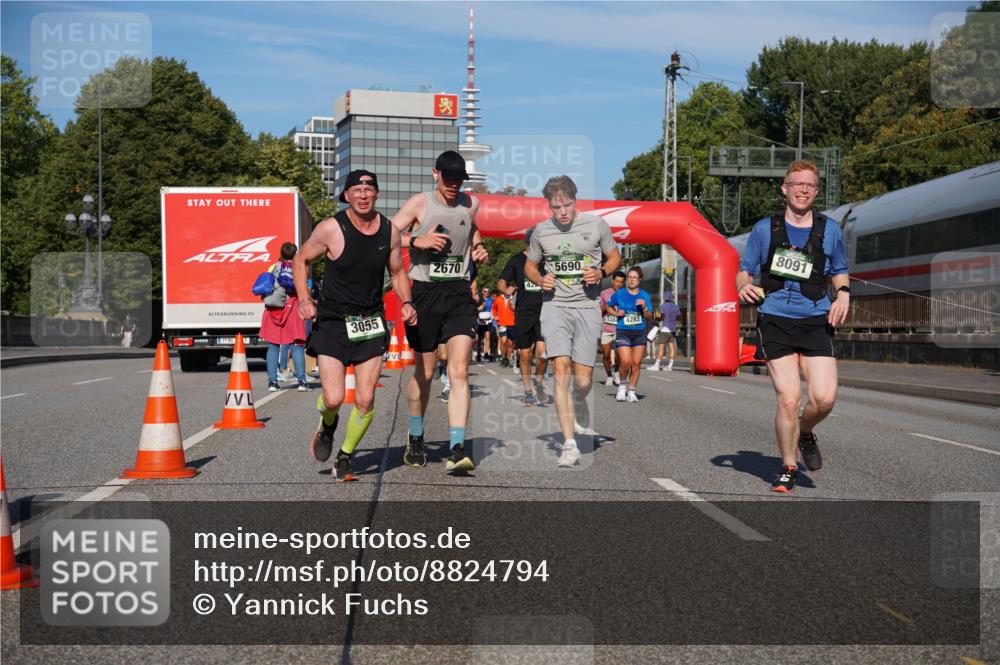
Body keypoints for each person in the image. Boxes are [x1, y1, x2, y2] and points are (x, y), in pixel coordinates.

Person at [294, 170, 417, 481]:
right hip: (334, 321)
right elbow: (300, 259)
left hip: (370, 321)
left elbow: (398, 270)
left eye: (369, 189)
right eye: (356, 190)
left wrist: (406, 301)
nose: (363, 195)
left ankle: (345, 457)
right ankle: (328, 422)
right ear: (346, 195)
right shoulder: (331, 228)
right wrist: (305, 299)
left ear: (377, 194)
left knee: (365, 399)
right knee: (334, 398)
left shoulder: (389, 231)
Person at [736, 159, 850, 493]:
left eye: (810, 185)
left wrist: (843, 294)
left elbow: (839, 269)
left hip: (816, 319)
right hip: (775, 319)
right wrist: (742, 285)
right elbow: (744, 271)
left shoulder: (829, 230)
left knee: (824, 399)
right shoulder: (764, 229)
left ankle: (805, 431)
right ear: (784, 188)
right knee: (789, 399)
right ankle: (788, 465)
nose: (803, 190)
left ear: (816, 191)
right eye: (796, 184)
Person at [392, 150, 489, 474]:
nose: (453, 184)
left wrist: (478, 247)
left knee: (459, 370)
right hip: (425, 293)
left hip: (459, 292)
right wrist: (417, 241)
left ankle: (457, 448)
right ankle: (416, 438)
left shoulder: (471, 204)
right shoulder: (420, 203)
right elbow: (387, 236)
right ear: (436, 174)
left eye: (458, 179)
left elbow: (473, 230)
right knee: (426, 373)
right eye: (448, 178)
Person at [524, 175, 621, 467]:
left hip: (588, 306)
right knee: (561, 369)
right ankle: (569, 444)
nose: (562, 212)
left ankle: (580, 403)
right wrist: (541, 278)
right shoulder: (541, 232)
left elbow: (615, 257)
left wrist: (601, 272)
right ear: (549, 206)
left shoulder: (596, 226)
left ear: (575, 201)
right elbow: (530, 266)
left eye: (566, 205)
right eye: (556, 207)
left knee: (583, 379)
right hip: (555, 306)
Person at [498, 230, 550, 406]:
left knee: (543, 354)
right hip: (523, 312)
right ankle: (528, 391)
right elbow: (501, 282)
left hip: (545, 311)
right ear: (530, 242)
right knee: (525, 354)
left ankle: (539, 382)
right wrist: (506, 290)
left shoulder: (547, 261)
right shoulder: (516, 260)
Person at [260, 242, 309, 392]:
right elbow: (304, 287)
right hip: (292, 306)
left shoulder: (273, 267)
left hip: (274, 308)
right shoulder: (298, 267)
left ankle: (272, 382)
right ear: (295, 253)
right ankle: (302, 381)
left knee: (273, 345)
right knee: (296, 344)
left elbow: (266, 286)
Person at [608, 267, 653, 402]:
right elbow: (608, 306)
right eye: (630, 277)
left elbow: (649, 316)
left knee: (636, 363)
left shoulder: (644, 295)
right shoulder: (620, 294)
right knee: (625, 362)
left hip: (639, 331)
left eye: (634, 277)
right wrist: (616, 313)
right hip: (623, 331)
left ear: (639, 280)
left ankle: (632, 390)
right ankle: (622, 386)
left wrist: (644, 308)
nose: (631, 279)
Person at [599, 271, 626, 385]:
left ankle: (616, 372)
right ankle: (609, 375)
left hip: (620, 329)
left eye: (621, 282)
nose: (619, 284)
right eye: (617, 281)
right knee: (606, 355)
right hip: (607, 328)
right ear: (612, 281)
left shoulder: (626, 294)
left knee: (620, 355)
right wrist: (606, 307)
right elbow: (599, 311)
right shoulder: (605, 293)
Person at [652, 290, 681, 371]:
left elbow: (660, 317)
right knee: (672, 347)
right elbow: (679, 317)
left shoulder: (663, 306)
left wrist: (657, 318)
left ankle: (656, 365)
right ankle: (670, 366)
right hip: (673, 329)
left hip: (665, 329)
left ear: (665, 298)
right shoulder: (676, 307)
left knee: (661, 348)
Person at [491, 286, 516, 368]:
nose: (509, 291)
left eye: (511, 290)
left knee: (510, 343)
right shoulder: (498, 299)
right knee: (503, 341)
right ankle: (503, 358)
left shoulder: (515, 298)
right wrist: (495, 316)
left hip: (512, 323)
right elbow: (493, 308)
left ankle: (507, 359)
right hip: (502, 323)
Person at [476, 287, 495, 362]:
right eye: (485, 291)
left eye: (488, 291)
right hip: (480, 320)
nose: (486, 292)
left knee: (488, 336)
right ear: (482, 292)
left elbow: (493, 309)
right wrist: (480, 307)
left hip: (488, 320)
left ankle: (486, 353)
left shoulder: (491, 300)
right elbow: (475, 308)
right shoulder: (479, 299)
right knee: (479, 338)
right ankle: (478, 353)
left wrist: (494, 317)